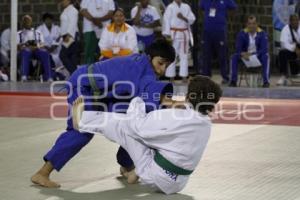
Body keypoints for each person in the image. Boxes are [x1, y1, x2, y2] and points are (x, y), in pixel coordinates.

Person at [30, 39, 176, 188]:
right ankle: (42, 173)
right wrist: (170, 103)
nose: (162, 69)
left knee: (132, 121)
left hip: (105, 94)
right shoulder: (142, 70)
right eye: (161, 63)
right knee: (82, 130)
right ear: (151, 57)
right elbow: (149, 90)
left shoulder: (142, 63)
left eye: (167, 65)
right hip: (84, 86)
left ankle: (126, 166)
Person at [73, 75, 222, 194]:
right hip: (179, 183)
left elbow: (139, 128)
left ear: (189, 96)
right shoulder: (206, 123)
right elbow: (186, 114)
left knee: (126, 127)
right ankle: (133, 173)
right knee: (163, 140)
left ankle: (82, 122)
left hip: (158, 176)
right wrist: (179, 104)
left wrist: (137, 102)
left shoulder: (176, 117)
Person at [200, 0, 237, 84]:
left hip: (220, 31)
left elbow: (234, 8)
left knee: (222, 55)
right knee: (206, 55)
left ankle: (225, 76)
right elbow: (201, 8)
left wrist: (227, 18)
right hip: (207, 31)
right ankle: (206, 76)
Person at [230, 15, 270, 88]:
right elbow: (238, 48)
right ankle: (233, 81)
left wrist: (252, 54)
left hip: (257, 57)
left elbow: (264, 49)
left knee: (266, 56)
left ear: (257, 24)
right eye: (249, 23)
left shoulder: (262, 34)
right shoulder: (242, 33)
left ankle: (266, 81)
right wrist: (242, 53)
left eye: (254, 23)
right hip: (245, 58)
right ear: (247, 24)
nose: (251, 26)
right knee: (234, 57)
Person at [163, 0, 196, 82]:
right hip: (173, 34)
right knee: (172, 55)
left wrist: (183, 17)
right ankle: (171, 77)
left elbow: (192, 19)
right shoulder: (170, 7)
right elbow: (166, 20)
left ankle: (184, 76)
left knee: (184, 55)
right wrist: (167, 34)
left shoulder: (186, 7)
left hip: (184, 34)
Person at [17, 15, 53, 82]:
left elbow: (42, 44)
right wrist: (26, 46)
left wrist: (35, 47)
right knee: (26, 51)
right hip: (25, 51)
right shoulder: (19, 33)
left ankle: (49, 77)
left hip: (37, 49)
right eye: (25, 21)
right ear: (22, 22)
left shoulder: (38, 33)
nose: (26, 22)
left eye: (28, 21)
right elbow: (18, 46)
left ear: (31, 22)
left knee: (45, 52)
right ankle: (24, 76)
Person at [37, 13, 70, 80]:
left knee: (61, 59)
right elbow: (38, 41)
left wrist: (54, 46)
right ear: (44, 21)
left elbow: (60, 38)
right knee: (47, 58)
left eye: (50, 20)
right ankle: (53, 75)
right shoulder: (40, 29)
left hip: (56, 51)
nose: (49, 21)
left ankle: (57, 75)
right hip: (45, 51)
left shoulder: (57, 28)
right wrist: (46, 48)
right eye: (47, 20)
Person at [277, 14, 300, 85]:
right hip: (291, 52)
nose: (296, 22)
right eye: (294, 21)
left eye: (297, 20)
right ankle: (283, 76)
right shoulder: (285, 29)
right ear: (290, 22)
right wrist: (294, 48)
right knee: (282, 53)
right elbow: (283, 44)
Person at [59, 0, 80, 75]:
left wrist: (68, 35)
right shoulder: (66, 10)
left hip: (71, 36)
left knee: (62, 55)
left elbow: (72, 23)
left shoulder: (73, 10)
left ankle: (75, 74)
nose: (61, 2)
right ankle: (75, 76)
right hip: (67, 36)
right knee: (71, 58)